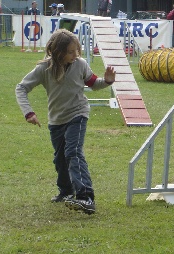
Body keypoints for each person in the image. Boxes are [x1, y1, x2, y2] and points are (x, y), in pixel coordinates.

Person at [15, 29, 116, 214]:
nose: (75, 54)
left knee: (73, 152)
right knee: (60, 159)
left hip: (78, 114)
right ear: (58, 51)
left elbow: (93, 84)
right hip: (56, 120)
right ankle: (66, 191)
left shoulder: (81, 64)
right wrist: (28, 113)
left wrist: (107, 81)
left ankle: (86, 197)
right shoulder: (43, 69)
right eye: (70, 51)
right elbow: (21, 88)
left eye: (76, 50)